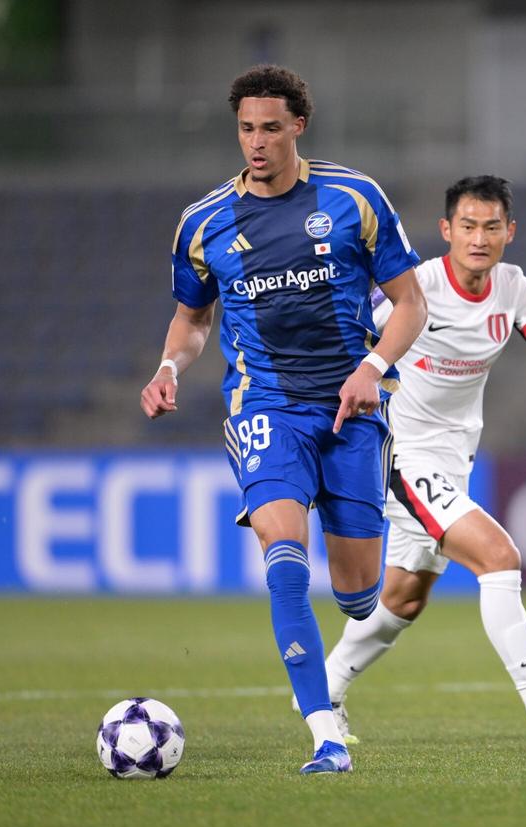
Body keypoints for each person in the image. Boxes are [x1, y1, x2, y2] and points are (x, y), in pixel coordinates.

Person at [139, 64, 427, 773]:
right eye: (246, 129)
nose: (257, 142)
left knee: (359, 598)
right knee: (284, 558)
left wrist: (373, 368)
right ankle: (327, 735)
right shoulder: (204, 222)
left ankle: (356, 535)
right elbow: (191, 321)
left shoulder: (354, 198)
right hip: (264, 404)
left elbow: (411, 304)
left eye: (270, 128)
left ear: (299, 125)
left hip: (353, 407)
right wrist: (170, 367)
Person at [311, 175, 526, 744]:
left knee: (404, 600)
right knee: (499, 556)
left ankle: (325, 691)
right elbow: (350, 344)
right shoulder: (416, 288)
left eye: (491, 227)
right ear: (446, 229)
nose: (479, 238)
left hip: (453, 461)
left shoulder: (514, 288)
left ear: (510, 232)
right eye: (468, 226)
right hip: (402, 454)